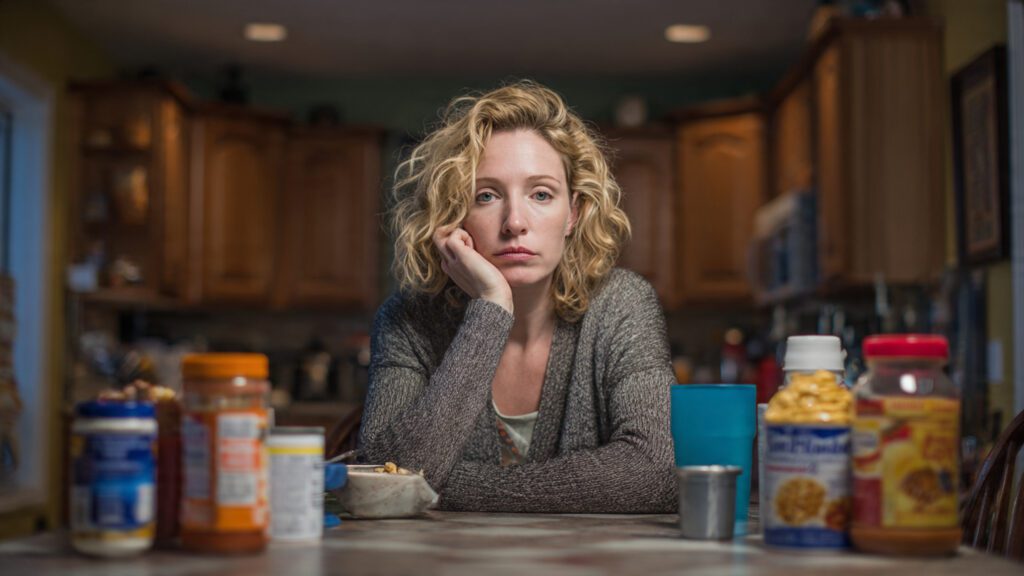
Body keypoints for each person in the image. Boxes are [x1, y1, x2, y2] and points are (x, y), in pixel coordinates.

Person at [358, 80, 676, 512]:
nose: (514, 222)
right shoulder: (407, 319)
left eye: (541, 194)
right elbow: (383, 481)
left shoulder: (622, 305)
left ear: (573, 213)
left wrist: (447, 488)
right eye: (485, 196)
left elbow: (656, 472)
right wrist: (490, 308)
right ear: (454, 215)